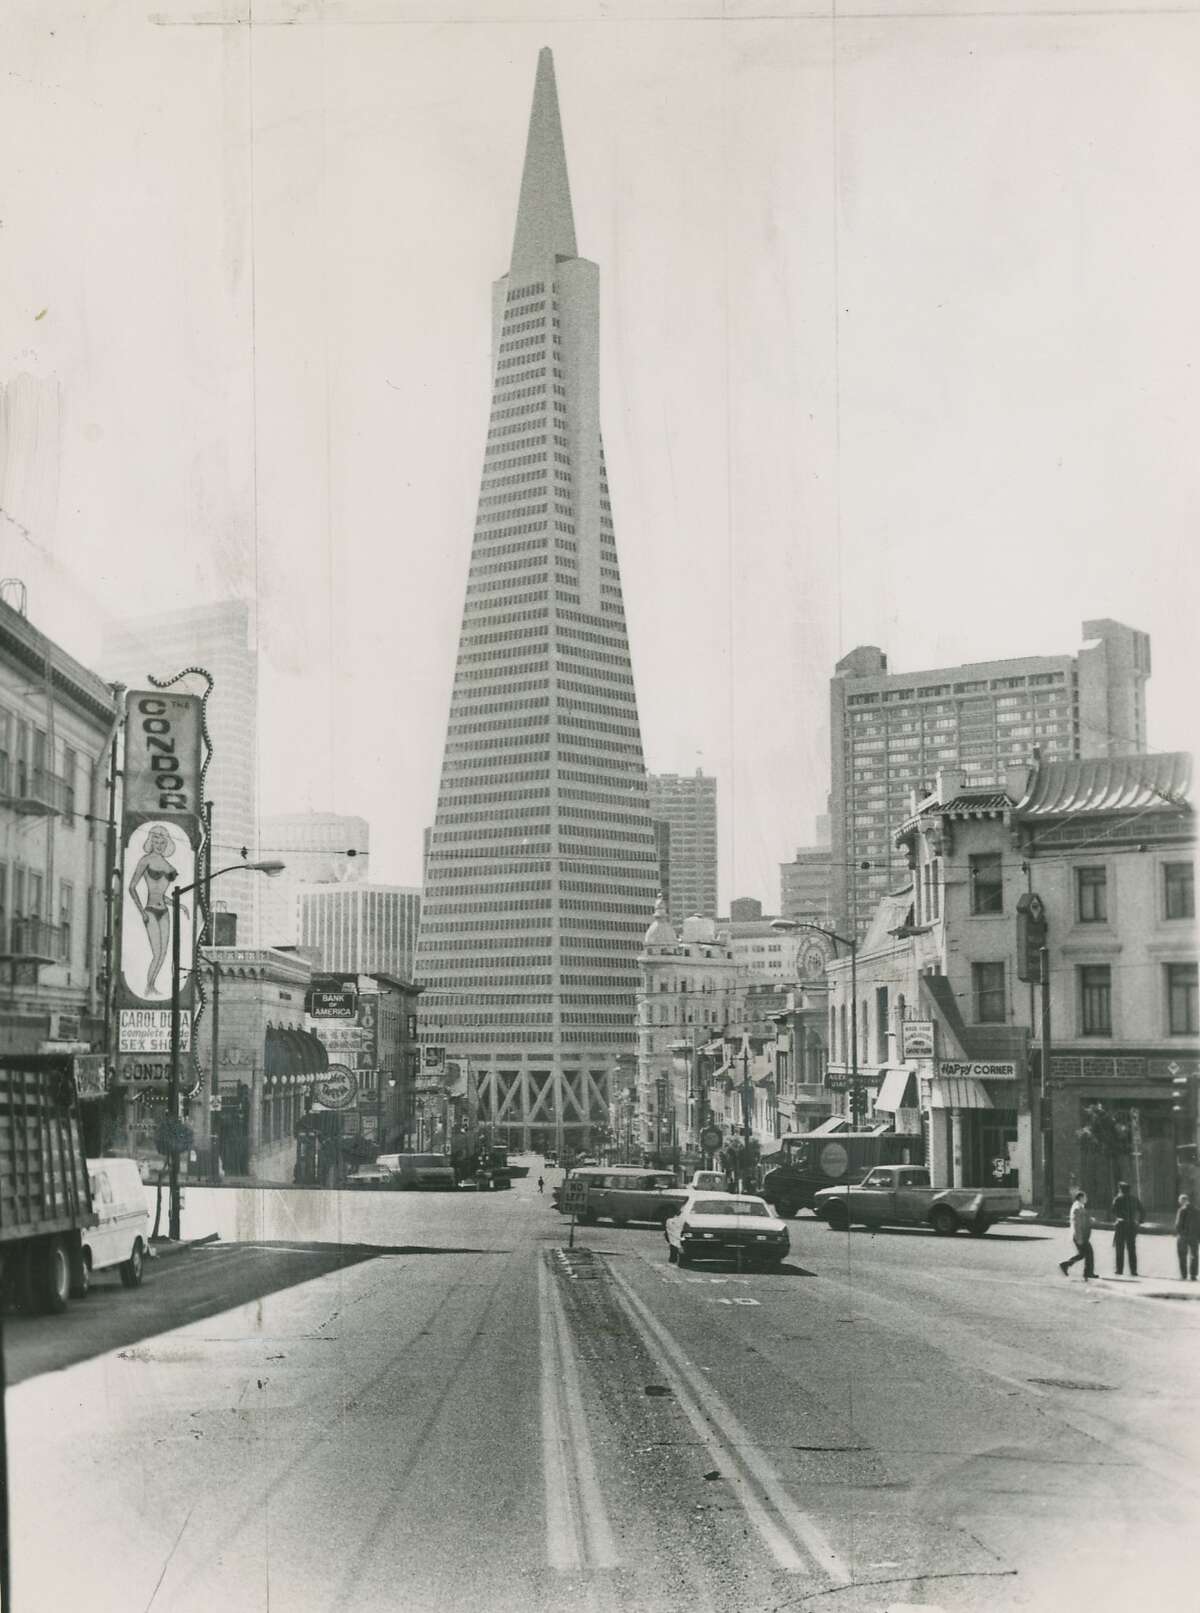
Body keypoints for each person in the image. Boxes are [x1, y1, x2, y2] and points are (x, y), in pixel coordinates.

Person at [1059, 1189, 1095, 1280]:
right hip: (1080, 1235)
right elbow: (1077, 1224)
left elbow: (1082, 1219)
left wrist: (1089, 1219)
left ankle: (1066, 1264)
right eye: (1085, 1197)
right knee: (1088, 1253)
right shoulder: (1078, 1207)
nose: (1086, 1199)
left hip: (1081, 1235)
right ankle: (1088, 1273)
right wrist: (1079, 1238)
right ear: (1081, 1198)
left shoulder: (1079, 1206)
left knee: (1083, 1254)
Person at [1110, 1179, 1143, 1277]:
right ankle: (1134, 1271)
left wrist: (1116, 1219)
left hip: (1121, 1225)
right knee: (1132, 1249)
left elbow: (1112, 1211)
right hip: (1132, 1226)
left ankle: (1119, 1270)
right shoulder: (1135, 1199)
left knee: (1120, 1249)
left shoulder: (1118, 1199)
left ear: (1121, 1190)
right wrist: (1139, 1222)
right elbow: (1142, 1211)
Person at [1175, 1192, 1200, 1281]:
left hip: (1183, 1237)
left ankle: (1184, 1275)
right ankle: (1193, 1275)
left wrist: (1179, 1233)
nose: (1179, 1203)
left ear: (1182, 1201)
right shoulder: (1197, 1210)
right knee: (1194, 1255)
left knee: (1182, 1255)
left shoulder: (1181, 1210)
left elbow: (1178, 1224)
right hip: (1194, 1236)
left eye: (1180, 1201)